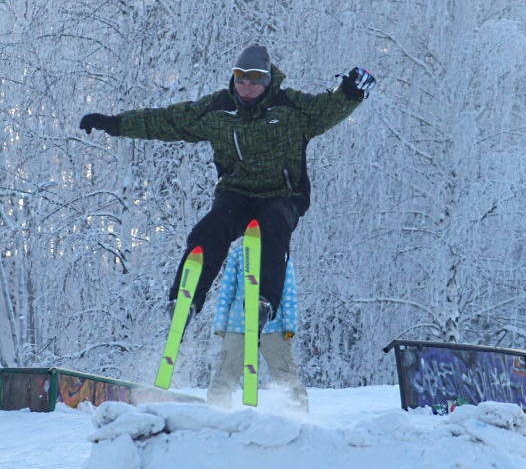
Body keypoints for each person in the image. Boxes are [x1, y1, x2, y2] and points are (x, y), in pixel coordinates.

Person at [79, 44, 376, 332]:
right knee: (209, 229)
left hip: (282, 196)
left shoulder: (291, 109)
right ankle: (185, 301)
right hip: (236, 192)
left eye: (254, 80)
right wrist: (115, 124)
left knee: (271, 226)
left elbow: (328, 109)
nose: (246, 87)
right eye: (240, 78)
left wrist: (351, 91)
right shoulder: (219, 110)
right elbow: (167, 120)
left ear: (267, 80)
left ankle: (263, 302)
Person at [207, 247, 308, 411]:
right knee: (224, 375)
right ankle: (216, 415)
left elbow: (288, 292)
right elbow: (226, 292)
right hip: (237, 326)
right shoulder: (239, 255)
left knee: (287, 376)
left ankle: (300, 417)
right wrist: (220, 323)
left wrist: (290, 324)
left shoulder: (281, 254)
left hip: (273, 326)